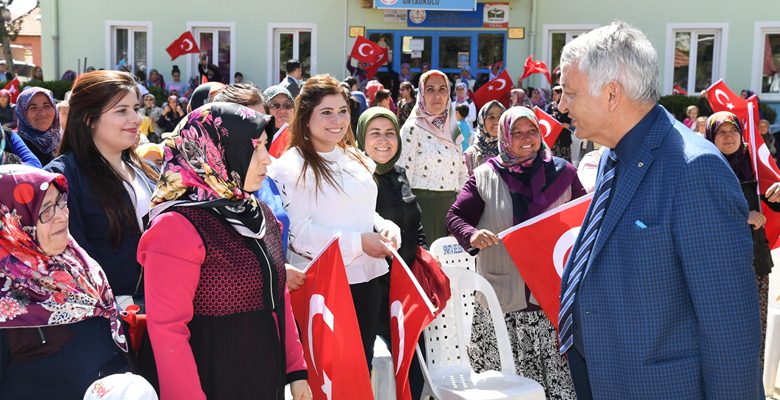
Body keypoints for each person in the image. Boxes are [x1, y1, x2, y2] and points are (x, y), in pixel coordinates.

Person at [556, 22, 762, 399]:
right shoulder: (611, 156)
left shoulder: (694, 170)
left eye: (570, 92)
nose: (561, 105)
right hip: (604, 379)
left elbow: (730, 324)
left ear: (612, 94)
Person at [138, 102, 311, 400]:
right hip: (212, 376)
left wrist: (296, 370)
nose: (267, 161)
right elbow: (167, 330)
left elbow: (278, 294)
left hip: (262, 372)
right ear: (218, 151)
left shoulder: (258, 213)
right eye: (256, 149)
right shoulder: (176, 227)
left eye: (266, 148)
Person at [447, 107, 582, 399]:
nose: (526, 139)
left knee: (557, 388)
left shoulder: (564, 173)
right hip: (503, 305)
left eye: (532, 131)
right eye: (517, 132)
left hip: (549, 305)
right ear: (504, 137)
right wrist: (472, 235)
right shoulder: (485, 176)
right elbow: (455, 217)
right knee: (506, 390)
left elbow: (583, 219)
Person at [269, 74, 401, 371]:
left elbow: (362, 209)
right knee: (328, 377)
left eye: (342, 111)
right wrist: (359, 241)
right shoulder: (293, 166)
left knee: (359, 372)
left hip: (367, 281)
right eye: (326, 112)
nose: (337, 120)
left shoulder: (353, 157)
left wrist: (382, 226)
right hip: (323, 287)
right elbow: (298, 235)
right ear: (306, 116)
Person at [0, 164, 129, 399]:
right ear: (12, 223)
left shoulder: (76, 261)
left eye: (61, 202)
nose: (62, 216)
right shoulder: (5, 300)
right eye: (45, 209)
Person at [45, 70, 158, 305]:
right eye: (121, 111)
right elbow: (70, 259)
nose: (136, 119)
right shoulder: (62, 176)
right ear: (89, 118)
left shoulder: (146, 170)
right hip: (103, 318)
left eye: (135, 108)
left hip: (158, 308)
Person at [354, 107, 427, 399]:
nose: (383, 141)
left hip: (406, 292)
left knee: (412, 369)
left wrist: (423, 260)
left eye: (389, 133)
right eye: (375, 133)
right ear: (361, 138)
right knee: (369, 370)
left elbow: (414, 224)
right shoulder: (354, 179)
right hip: (371, 291)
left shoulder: (399, 173)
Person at [704, 111, 780, 371]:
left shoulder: (753, 165)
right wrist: (741, 217)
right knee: (722, 334)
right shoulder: (702, 167)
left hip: (755, 261)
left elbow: (772, 203)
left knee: (754, 331)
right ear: (710, 137)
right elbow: (699, 215)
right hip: (718, 267)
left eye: (733, 131)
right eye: (721, 132)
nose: (728, 137)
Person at [398, 70, 468, 242]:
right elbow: (402, 178)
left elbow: (461, 173)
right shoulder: (412, 129)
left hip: (451, 213)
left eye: (442, 89)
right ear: (421, 94)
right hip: (421, 211)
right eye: (430, 89)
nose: (437, 95)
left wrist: (462, 212)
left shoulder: (452, 128)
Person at [15, 87, 61, 166]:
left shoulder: (63, 142)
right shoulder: (14, 145)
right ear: (22, 113)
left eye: (47, 106)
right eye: (33, 108)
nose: (42, 113)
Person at [464, 100, 506, 176]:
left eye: (500, 117)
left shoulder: (512, 151)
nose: (497, 121)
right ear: (482, 121)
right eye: (491, 117)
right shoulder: (471, 155)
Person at [546, 85, 573, 162]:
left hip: (564, 138)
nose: (553, 96)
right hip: (553, 139)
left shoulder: (568, 107)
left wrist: (567, 125)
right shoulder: (550, 106)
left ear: (561, 94)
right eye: (553, 94)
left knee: (564, 162)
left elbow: (573, 122)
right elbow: (546, 118)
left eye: (555, 94)